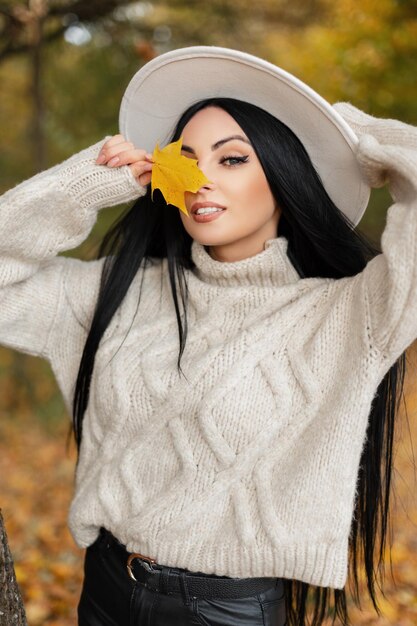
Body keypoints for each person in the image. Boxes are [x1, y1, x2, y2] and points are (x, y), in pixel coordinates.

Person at [1, 45, 416, 626]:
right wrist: (77, 189)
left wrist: (354, 133)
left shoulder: (350, 315)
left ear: (283, 170)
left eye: (232, 159)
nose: (199, 178)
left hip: (227, 613)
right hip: (104, 591)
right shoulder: (118, 290)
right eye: (185, 158)